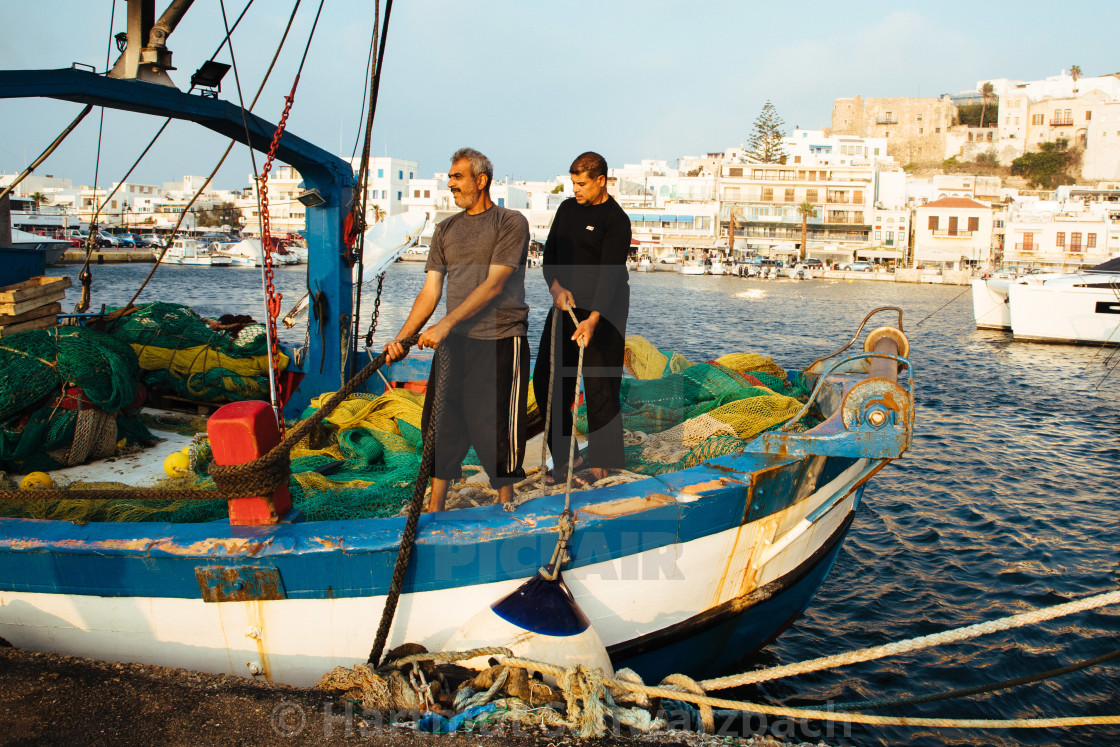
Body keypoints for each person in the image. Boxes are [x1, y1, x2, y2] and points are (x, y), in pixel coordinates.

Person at [384, 148, 529, 511]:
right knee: (440, 423)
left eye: (458, 177)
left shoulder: (511, 222)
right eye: (449, 178)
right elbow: (430, 292)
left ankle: (506, 505)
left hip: (501, 339)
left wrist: (445, 324)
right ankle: (434, 507)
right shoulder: (445, 229)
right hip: (455, 343)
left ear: (481, 180)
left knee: (497, 427)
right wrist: (402, 339)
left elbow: (495, 285)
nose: (451, 185)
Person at [533, 152, 630, 485]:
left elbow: (610, 276)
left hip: (604, 311)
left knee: (600, 384)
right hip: (566, 307)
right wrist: (556, 289)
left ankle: (603, 463)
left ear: (600, 180)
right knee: (546, 382)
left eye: (581, 183)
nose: (575, 189)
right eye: (573, 182)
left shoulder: (616, 220)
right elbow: (550, 259)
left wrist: (594, 319)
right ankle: (565, 459)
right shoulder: (567, 210)